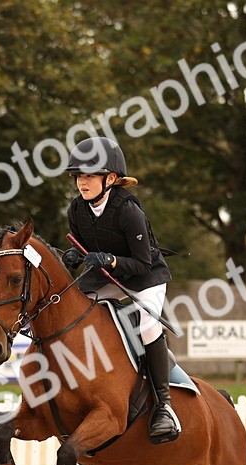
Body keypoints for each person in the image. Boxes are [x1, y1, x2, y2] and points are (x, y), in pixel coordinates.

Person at [62, 136, 180, 444]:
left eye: (89, 175)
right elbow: (85, 247)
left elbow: (141, 263)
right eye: (79, 176)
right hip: (105, 275)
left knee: (148, 325)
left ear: (110, 178)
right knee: (71, 306)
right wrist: (73, 257)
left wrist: (110, 259)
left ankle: (164, 406)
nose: (82, 182)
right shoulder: (76, 210)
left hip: (145, 276)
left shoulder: (128, 210)